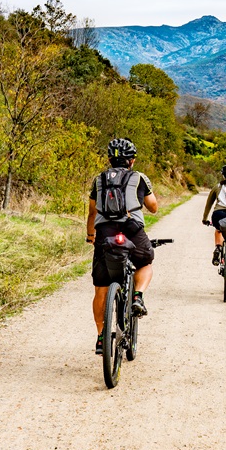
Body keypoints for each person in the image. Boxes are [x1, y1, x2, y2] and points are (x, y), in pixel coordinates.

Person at [86, 138, 159, 355]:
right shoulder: (139, 178)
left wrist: (91, 235)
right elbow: (153, 207)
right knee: (145, 262)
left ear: (109, 159)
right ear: (132, 160)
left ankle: (101, 337)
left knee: (101, 288)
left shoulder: (98, 180)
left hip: (105, 232)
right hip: (132, 228)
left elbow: (92, 212)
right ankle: (137, 296)